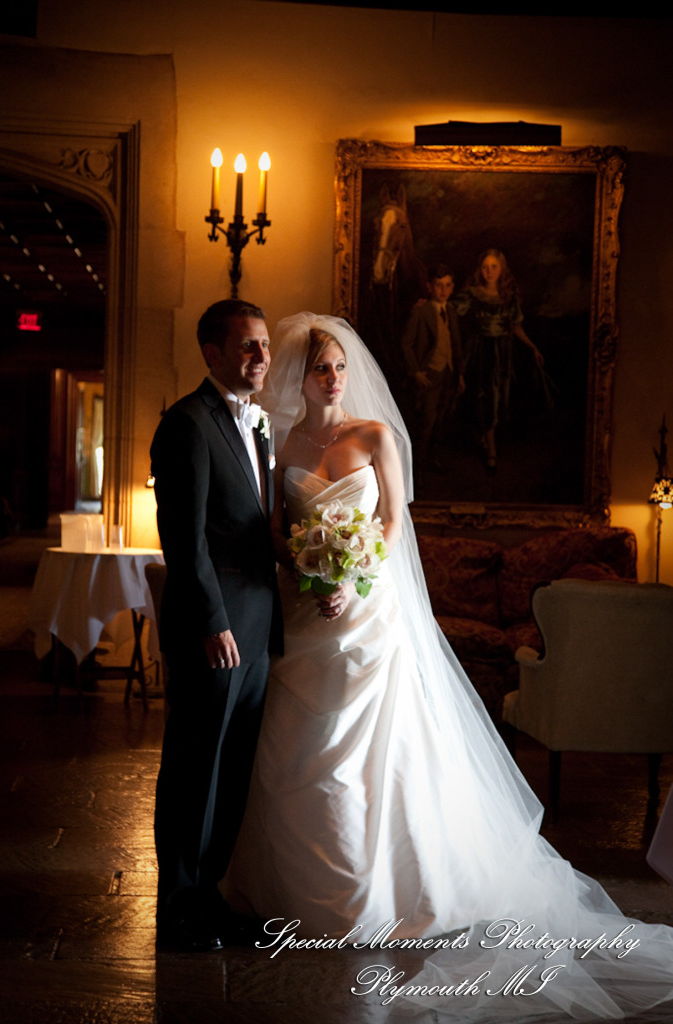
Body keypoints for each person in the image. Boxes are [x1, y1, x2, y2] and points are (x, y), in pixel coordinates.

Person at [222, 311, 673, 1020]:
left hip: (370, 610)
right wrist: (307, 568)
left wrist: (352, 571)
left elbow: (393, 524)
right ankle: (299, 889)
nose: (332, 377)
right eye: (319, 368)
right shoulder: (279, 445)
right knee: (299, 743)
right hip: (309, 611)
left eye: (339, 366)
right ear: (299, 378)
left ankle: (395, 887)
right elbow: (276, 530)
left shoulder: (373, 436)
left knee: (383, 746)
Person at [151, 298, 282, 951]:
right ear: (211, 352)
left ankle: (210, 898)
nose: (261, 357)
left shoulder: (258, 425)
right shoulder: (187, 424)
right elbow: (184, 537)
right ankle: (176, 910)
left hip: (259, 628)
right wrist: (212, 620)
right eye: (247, 346)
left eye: (264, 345)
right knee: (194, 767)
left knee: (232, 771)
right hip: (217, 628)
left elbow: (257, 528)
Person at [455, 248, 544, 472]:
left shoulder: (508, 297)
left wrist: (532, 347)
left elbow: (516, 326)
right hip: (479, 352)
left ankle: (489, 439)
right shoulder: (472, 294)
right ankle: (491, 450)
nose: (489, 271)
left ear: (501, 268)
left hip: (502, 353)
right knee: (484, 397)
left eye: (494, 266)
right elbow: (449, 309)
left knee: (499, 396)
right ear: (480, 269)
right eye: (485, 267)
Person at [401, 264, 465, 468]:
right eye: (438, 285)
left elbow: (455, 345)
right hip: (430, 373)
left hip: (449, 372)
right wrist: (416, 371)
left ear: (452, 287)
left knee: (441, 417)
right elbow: (406, 344)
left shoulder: (452, 311)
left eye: (447, 285)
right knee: (427, 420)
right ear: (430, 287)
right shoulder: (421, 311)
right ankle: (417, 463)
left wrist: (460, 374)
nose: (443, 290)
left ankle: (434, 456)